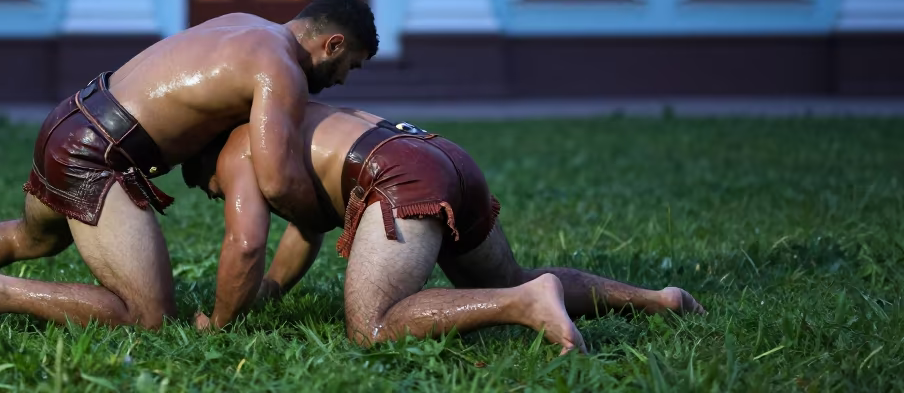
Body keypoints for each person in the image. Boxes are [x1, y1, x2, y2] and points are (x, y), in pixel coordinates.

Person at [0, 0, 378, 333]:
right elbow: (277, 178)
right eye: (348, 65)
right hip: (100, 156)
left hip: (71, 119)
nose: (342, 80)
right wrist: (331, 217)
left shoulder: (245, 24)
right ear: (331, 44)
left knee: (32, 237)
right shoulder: (280, 68)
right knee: (150, 316)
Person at [186, 102, 706, 354]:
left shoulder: (240, 147)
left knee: (371, 329)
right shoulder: (293, 119)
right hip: (442, 153)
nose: (210, 192)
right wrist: (274, 291)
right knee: (509, 273)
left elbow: (247, 243)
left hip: (397, 175)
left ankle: (524, 304)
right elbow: (308, 226)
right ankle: (659, 300)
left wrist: (221, 321)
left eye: (199, 179)